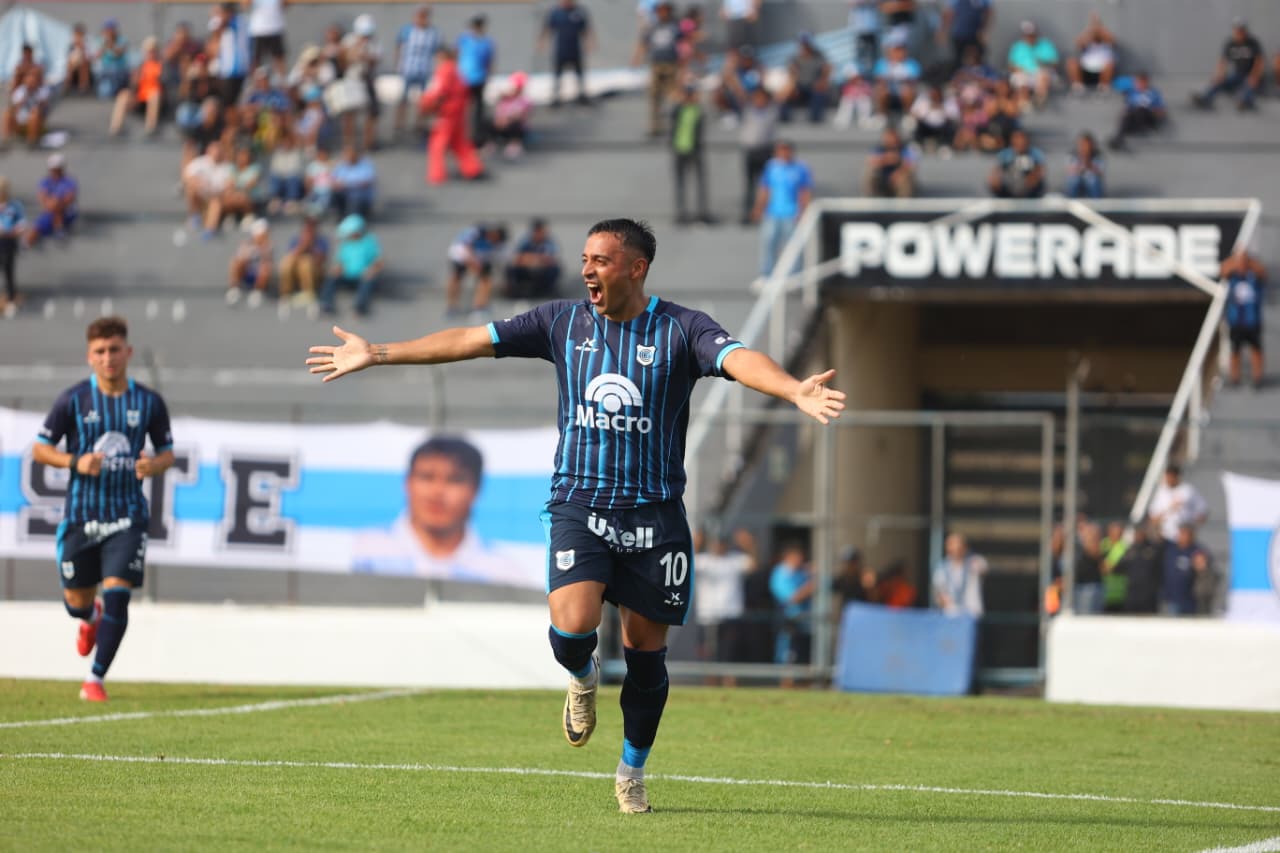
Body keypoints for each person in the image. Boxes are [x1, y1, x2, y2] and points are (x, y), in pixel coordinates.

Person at [306, 217, 845, 814]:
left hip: (655, 517)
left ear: (636, 268)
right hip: (580, 504)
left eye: (601, 260)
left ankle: (631, 772)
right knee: (571, 628)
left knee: (646, 660)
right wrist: (378, 353)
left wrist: (792, 389)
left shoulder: (681, 329)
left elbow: (739, 359)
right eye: (585, 259)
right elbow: (470, 339)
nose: (587, 269)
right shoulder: (560, 322)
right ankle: (582, 676)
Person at [30, 316, 175, 702]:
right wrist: (74, 461)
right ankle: (89, 618)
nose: (108, 357)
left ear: (128, 352)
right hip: (81, 516)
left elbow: (167, 453)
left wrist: (153, 465)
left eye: (114, 349)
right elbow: (40, 448)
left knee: (118, 595)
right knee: (76, 604)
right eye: (100, 351)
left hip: (127, 516)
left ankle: (95, 679)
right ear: (89, 357)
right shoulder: (73, 400)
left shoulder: (148, 402)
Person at [351, 436, 537, 586]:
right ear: (407, 483)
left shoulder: (502, 573)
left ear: (476, 490)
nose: (437, 492)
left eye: (454, 480)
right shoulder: (361, 551)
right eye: (427, 477)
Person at [419, 45, 486, 185]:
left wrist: (426, 103)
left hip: (446, 113)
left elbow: (438, 91)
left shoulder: (443, 70)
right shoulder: (456, 70)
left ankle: (437, 175)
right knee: (459, 143)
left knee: (437, 144)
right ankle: (472, 168)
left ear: (442, 56)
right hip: (458, 112)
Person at [692, 529, 756, 674]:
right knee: (708, 655)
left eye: (721, 543)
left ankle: (729, 681)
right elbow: (688, 563)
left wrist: (749, 545)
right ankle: (710, 682)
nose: (719, 546)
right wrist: (695, 544)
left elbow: (753, 565)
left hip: (731, 614)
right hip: (708, 616)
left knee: (730, 654)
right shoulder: (703, 560)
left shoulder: (735, 559)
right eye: (716, 543)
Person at [750, 139, 813, 282]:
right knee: (768, 244)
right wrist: (758, 208)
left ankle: (794, 276)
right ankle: (766, 275)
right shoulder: (771, 167)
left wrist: (803, 211)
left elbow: (804, 191)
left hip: (792, 214)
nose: (783, 153)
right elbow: (765, 189)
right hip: (772, 213)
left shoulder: (800, 168)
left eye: (786, 150)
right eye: (780, 150)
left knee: (793, 246)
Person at [1192, 18, 1264, 112]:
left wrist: (1254, 76)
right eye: (1237, 30)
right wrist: (1219, 75)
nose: (1239, 32)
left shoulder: (1253, 42)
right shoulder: (1230, 43)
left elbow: (1259, 61)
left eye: (1241, 30)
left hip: (1249, 74)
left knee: (1249, 85)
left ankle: (1246, 103)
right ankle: (1205, 98)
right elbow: (1222, 62)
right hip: (1237, 74)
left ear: (1245, 30)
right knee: (1219, 81)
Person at [633, 1, 682, 138]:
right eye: (660, 11)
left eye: (665, 10)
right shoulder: (652, 27)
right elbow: (644, 42)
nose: (662, 13)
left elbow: (683, 43)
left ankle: (676, 125)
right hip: (656, 64)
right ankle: (655, 126)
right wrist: (637, 57)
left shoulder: (675, 26)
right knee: (654, 95)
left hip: (671, 64)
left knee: (673, 95)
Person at [319, 213, 383, 316]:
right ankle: (326, 304)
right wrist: (337, 269)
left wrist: (372, 270)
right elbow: (339, 261)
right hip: (347, 276)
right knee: (331, 277)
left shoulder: (369, 241)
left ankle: (360, 307)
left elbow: (378, 261)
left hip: (362, 277)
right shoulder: (345, 243)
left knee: (368, 280)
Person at [1221, 249, 1266, 389]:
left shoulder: (1254, 277)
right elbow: (1223, 270)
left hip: (1252, 320)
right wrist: (1237, 259)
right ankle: (1235, 377)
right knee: (1235, 350)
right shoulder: (1233, 277)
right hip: (1236, 321)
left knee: (1256, 349)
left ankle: (1257, 377)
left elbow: (1263, 272)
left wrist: (1247, 261)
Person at [394, 6, 440, 139]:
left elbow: (437, 52)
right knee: (403, 99)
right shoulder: (407, 30)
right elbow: (399, 46)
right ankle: (399, 125)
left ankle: (419, 125)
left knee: (423, 100)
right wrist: (398, 64)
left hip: (424, 70)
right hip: (408, 69)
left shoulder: (432, 33)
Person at [669, 84, 712, 225]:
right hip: (680, 148)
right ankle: (681, 213)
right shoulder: (678, 109)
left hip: (695, 149)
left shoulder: (697, 110)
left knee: (700, 183)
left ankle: (701, 212)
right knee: (680, 183)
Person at [446, 222, 508, 317]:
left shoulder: (496, 243)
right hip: (461, 255)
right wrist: (473, 263)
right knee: (457, 278)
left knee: (486, 279)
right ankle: (452, 306)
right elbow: (465, 247)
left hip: (479, 258)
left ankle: (479, 305)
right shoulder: (476, 232)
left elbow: (497, 258)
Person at [769, 543, 813, 671]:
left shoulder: (802, 573)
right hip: (788, 622)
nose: (800, 559)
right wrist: (812, 586)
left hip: (805, 622)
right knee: (787, 656)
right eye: (797, 556)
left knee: (803, 656)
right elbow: (792, 598)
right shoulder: (780, 574)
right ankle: (786, 680)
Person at [738, 85, 778, 225]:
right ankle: (749, 214)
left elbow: (781, 97)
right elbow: (739, 94)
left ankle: (766, 214)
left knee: (766, 186)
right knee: (749, 185)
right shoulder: (748, 110)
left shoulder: (772, 111)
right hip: (750, 151)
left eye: (762, 98)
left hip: (765, 151)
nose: (759, 100)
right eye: (757, 98)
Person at [541, 0, 593, 107]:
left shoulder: (579, 12)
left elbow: (585, 29)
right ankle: (556, 97)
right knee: (558, 75)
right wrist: (543, 42)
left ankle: (581, 94)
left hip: (575, 49)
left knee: (579, 73)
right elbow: (548, 28)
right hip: (561, 49)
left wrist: (588, 42)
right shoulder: (556, 12)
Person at [109, 36, 164, 137]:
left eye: (153, 51)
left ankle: (151, 127)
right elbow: (132, 87)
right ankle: (116, 128)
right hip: (140, 98)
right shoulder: (140, 66)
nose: (150, 53)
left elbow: (165, 84)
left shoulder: (162, 66)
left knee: (154, 94)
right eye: (148, 51)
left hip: (155, 99)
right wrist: (134, 80)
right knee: (123, 95)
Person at [456, 15, 496, 145]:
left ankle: (477, 136)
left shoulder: (487, 42)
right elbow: (457, 55)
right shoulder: (464, 39)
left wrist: (488, 75)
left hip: (479, 78)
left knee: (478, 109)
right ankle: (460, 136)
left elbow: (489, 61)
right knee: (462, 108)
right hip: (464, 78)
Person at [1147, 463, 1208, 545]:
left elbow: (1202, 511)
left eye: (1170, 477)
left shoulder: (1188, 490)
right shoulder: (1161, 492)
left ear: (1177, 476)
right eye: (1167, 477)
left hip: (1185, 539)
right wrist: (1169, 510)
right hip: (1166, 537)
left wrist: (1191, 523)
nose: (1168, 480)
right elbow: (1153, 517)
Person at [1161, 523, 1213, 616]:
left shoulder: (1196, 551)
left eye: (1186, 534)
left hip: (1190, 599)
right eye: (1182, 533)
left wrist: (1201, 566)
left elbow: (1204, 569)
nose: (1183, 536)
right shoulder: (1171, 549)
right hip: (1172, 598)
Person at [27, 154, 79, 247]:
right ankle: (58, 229)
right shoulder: (45, 182)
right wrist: (51, 205)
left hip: (67, 212)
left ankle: (58, 228)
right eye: (53, 169)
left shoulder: (69, 182)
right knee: (36, 228)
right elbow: (42, 198)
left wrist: (55, 204)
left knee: (55, 203)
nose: (55, 171)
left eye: (57, 169)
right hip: (50, 211)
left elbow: (69, 199)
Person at [1107, 72, 1166, 152]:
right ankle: (1118, 138)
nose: (1139, 85)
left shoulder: (1154, 93)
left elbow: (1160, 111)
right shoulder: (1132, 93)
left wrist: (1153, 110)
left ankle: (1138, 129)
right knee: (1127, 116)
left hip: (1149, 117)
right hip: (1135, 116)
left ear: (1146, 83)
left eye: (1142, 83)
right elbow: (1128, 107)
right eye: (1138, 83)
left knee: (1140, 110)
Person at [780, 34, 832, 124]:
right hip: (799, 86)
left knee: (818, 94)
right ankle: (784, 117)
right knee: (786, 94)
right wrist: (791, 87)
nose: (804, 46)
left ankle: (815, 118)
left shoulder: (819, 57)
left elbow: (826, 70)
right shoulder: (795, 58)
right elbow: (791, 75)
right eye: (802, 44)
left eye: (806, 44)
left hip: (813, 86)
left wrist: (822, 81)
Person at [931, 532, 987, 617]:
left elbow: (982, 568)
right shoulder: (941, 568)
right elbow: (939, 593)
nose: (956, 550)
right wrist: (948, 606)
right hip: (950, 614)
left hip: (973, 613)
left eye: (959, 546)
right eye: (952, 546)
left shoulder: (975, 561)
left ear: (965, 547)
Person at [279, 216, 329, 309]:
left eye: (311, 227)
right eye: (307, 227)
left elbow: (321, 261)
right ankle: (286, 293)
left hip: (315, 273)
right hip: (295, 271)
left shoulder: (321, 241)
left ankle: (308, 293)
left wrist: (311, 247)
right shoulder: (296, 240)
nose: (309, 230)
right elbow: (291, 256)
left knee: (306, 262)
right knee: (287, 262)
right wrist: (302, 246)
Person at [1007, 20, 1059, 109]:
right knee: (1021, 79)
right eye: (1027, 35)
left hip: (1042, 74)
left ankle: (1040, 98)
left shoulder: (1045, 44)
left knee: (1043, 75)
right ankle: (1024, 103)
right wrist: (1018, 69)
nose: (1030, 37)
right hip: (1023, 74)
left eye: (1032, 35)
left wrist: (1044, 64)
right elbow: (1011, 65)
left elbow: (1055, 63)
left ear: (1036, 33)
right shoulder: (1017, 47)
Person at [505, 218, 561, 299]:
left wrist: (534, 259)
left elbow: (551, 259)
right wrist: (534, 259)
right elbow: (518, 257)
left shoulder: (549, 242)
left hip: (543, 269)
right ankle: (516, 291)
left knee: (554, 270)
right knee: (512, 269)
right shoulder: (525, 241)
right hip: (526, 268)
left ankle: (547, 291)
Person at [226, 218, 274, 308]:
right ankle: (235, 289)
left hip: (259, 276)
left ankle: (258, 292)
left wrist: (262, 248)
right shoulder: (246, 244)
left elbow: (267, 261)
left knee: (266, 267)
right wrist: (251, 250)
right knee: (236, 262)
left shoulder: (268, 246)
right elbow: (241, 259)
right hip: (246, 274)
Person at [1065, 12, 1116, 95]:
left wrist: (1099, 28)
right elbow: (1079, 43)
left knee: (1110, 65)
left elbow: (1112, 40)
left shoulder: (1107, 42)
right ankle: (1077, 86)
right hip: (1086, 70)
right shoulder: (1087, 39)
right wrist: (1091, 32)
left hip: (1101, 72)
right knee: (1071, 62)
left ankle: (1103, 87)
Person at [1118, 522, 1163, 615]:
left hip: (1148, 596)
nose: (1139, 535)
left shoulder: (1153, 549)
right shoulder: (1129, 550)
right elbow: (1120, 568)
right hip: (1132, 594)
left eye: (1141, 532)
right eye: (1137, 532)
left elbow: (1159, 570)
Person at [988, 128, 1045, 198]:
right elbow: (996, 172)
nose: (1020, 141)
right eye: (1016, 138)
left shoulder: (1034, 154)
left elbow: (1039, 170)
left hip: (1028, 190)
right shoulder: (1005, 154)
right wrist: (996, 181)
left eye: (1022, 138)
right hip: (1009, 188)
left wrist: (1030, 180)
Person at [863, 126, 917, 198]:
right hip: (883, 179)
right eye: (888, 137)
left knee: (904, 178)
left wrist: (898, 172)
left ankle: (904, 201)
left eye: (893, 137)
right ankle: (871, 198)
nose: (891, 140)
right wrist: (887, 159)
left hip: (898, 180)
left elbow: (911, 164)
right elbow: (871, 161)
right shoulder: (879, 149)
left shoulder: (905, 149)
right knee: (870, 172)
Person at [939, 0, 993, 72]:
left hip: (975, 36)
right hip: (959, 35)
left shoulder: (984, 2)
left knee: (977, 61)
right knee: (957, 60)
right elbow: (948, 13)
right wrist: (943, 30)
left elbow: (988, 12)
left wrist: (984, 31)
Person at [490, 72, 533, 159]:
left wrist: (508, 119)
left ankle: (514, 144)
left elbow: (521, 115)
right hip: (503, 124)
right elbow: (499, 111)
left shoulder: (525, 100)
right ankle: (491, 143)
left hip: (514, 125)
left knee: (516, 125)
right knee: (490, 122)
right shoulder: (505, 99)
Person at [3, 69, 51, 147]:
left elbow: (44, 107)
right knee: (8, 113)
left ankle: (32, 141)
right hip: (20, 120)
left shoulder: (42, 91)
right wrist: (24, 97)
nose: (31, 83)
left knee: (35, 113)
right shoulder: (20, 91)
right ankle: (6, 140)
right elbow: (14, 108)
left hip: (36, 121)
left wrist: (35, 95)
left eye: (33, 80)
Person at [0, 177, 25, 317]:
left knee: (8, 272)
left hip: (7, 244)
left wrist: (11, 232)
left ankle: (10, 300)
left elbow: (22, 224)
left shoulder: (14, 206)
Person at [331, 145, 377, 220]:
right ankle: (341, 214)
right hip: (344, 192)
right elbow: (333, 179)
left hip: (360, 193)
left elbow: (366, 183)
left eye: (351, 154)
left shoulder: (366, 165)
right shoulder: (341, 165)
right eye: (347, 154)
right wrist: (337, 185)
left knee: (356, 196)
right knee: (333, 193)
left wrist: (347, 185)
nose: (349, 156)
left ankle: (353, 217)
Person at [245, 0, 288, 76]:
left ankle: (282, 80)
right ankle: (253, 80)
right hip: (258, 29)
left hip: (275, 28)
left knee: (279, 58)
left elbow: (285, 4)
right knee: (255, 59)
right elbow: (245, 4)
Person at [1073, 521, 1105, 615]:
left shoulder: (1094, 543)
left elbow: (1095, 554)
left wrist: (1091, 538)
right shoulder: (1076, 542)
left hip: (1091, 586)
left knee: (1089, 618)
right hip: (1080, 585)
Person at [1064, 132, 1104, 199]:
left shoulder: (1098, 155)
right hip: (1077, 177)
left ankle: (1096, 202)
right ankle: (1071, 201)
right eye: (1081, 144)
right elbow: (1070, 171)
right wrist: (1081, 165)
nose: (1083, 147)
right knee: (1073, 181)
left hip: (1091, 178)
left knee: (1093, 181)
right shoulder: (1072, 154)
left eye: (1086, 145)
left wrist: (1087, 161)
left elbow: (1100, 172)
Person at [67, 25, 93, 95]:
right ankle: (67, 85)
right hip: (73, 65)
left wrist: (82, 48)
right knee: (70, 65)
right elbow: (70, 57)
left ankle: (83, 86)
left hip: (84, 64)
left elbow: (89, 57)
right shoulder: (71, 46)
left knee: (83, 64)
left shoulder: (86, 45)